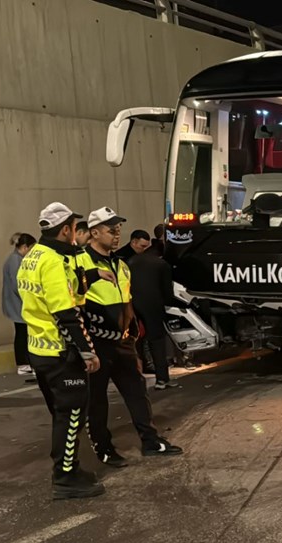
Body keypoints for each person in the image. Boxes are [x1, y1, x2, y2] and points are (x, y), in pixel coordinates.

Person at [78, 207, 183, 467]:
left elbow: (127, 300)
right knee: (97, 399)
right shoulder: (80, 264)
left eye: (118, 229)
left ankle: (151, 441)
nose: (117, 234)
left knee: (137, 392)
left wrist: (134, 330)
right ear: (94, 232)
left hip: (123, 342)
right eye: (111, 230)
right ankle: (104, 449)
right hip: (96, 342)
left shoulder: (121, 265)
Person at [18, 203, 104, 500]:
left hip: (38, 350)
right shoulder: (53, 261)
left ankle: (69, 469)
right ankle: (65, 477)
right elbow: (64, 313)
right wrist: (86, 352)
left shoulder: (33, 256)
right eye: (73, 225)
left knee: (61, 414)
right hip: (61, 352)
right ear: (66, 229)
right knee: (72, 416)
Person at [129, 238, 179, 389]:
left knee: (134, 342)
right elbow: (168, 294)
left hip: (131, 305)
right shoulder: (162, 264)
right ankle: (162, 379)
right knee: (157, 341)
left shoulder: (130, 261)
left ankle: (136, 379)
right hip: (153, 306)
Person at [3, 232, 37, 375]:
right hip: (18, 303)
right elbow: (19, 284)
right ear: (24, 247)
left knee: (23, 332)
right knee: (22, 333)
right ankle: (23, 363)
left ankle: (25, 362)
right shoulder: (16, 261)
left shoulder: (15, 259)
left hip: (17, 303)